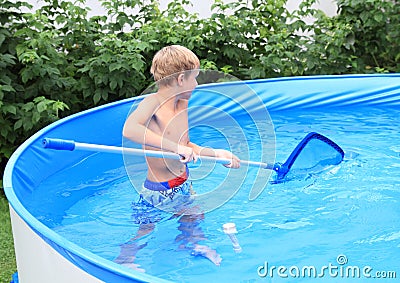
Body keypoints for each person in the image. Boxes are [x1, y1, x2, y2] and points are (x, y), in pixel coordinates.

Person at [115, 45, 240, 271]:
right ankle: (124, 259)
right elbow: (129, 129)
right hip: (159, 189)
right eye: (195, 78)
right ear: (181, 79)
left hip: (183, 183)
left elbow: (187, 145)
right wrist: (173, 147)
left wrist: (217, 154)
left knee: (194, 216)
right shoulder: (152, 103)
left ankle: (193, 245)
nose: (197, 84)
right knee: (147, 228)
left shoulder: (182, 105)